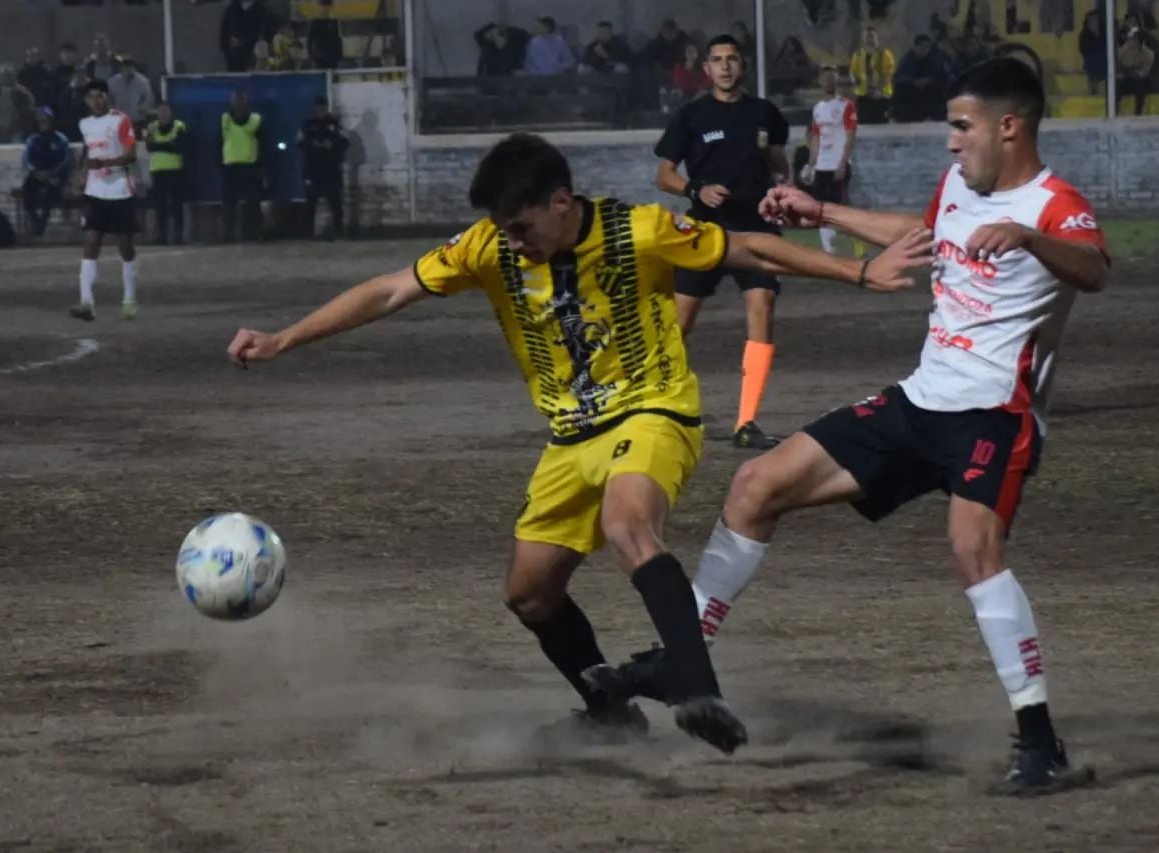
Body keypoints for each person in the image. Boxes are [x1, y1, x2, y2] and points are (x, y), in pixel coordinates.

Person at [226, 132, 932, 756]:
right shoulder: (487, 246)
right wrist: (284, 338)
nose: (511, 240)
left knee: (628, 524)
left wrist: (860, 272)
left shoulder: (641, 230)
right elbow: (387, 291)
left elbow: (745, 244)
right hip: (569, 438)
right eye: (501, 227)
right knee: (530, 595)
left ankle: (697, 687)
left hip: (652, 414)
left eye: (522, 225)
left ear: (562, 201)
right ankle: (611, 714)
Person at [590, 58, 1111, 796]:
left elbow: (1092, 268)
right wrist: (823, 213)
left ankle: (1039, 739)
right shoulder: (963, 187)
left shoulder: (1056, 204)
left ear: (1009, 126)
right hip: (921, 399)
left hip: (996, 414)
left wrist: (1028, 238)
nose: (951, 144)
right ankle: (687, 653)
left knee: (972, 551)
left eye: (961, 127)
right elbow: (925, 233)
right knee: (754, 484)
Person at [654, 35, 792, 451]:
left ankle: (747, 421)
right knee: (680, 322)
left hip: (756, 226)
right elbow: (663, 175)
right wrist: (696, 189)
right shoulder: (691, 115)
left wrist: (785, 182)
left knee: (762, 305)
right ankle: (652, 410)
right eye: (717, 60)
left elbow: (777, 161)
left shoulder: (765, 113)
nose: (725, 66)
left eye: (732, 59)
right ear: (707, 69)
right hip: (705, 229)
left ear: (742, 66)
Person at [70, 79, 140, 323]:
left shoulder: (120, 120)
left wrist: (107, 164)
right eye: (92, 97)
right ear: (86, 101)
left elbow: (131, 153)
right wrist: (82, 174)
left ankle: (130, 301)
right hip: (94, 191)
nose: (97, 100)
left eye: (101, 95)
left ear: (107, 97)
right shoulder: (85, 124)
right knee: (91, 242)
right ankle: (86, 302)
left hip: (120, 190)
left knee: (125, 247)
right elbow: (88, 150)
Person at [797, 64, 859, 257]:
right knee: (820, 206)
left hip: (838, 164)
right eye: (825, 78)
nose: (829, 82)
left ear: (836, 81)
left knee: (839, 207)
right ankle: (828, 248)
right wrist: (811, 164)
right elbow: (816, 138)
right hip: (822, 165)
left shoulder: (846, 105)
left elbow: (850, 136)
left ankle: (857, 241)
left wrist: (843, 163)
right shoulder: (818, 109)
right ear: (820, 81)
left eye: (832, 78)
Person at [297, 95, 350, 239]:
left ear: (327, 108)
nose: (321, 110)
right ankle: (309, 232)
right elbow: (300, 142)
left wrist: (332, 145)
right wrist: (313, 144)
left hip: (331, 169)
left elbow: (345, 142)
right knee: (311, 203)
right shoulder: (308, 124)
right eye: (318, 108)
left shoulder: (334, 124)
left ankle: (339, 232)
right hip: (313, 169)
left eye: (323, 108)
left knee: (335, 202)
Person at [21, 107, 74, 237]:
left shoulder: (60, 139)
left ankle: (42, 223)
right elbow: (26, 160)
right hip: (37, 175)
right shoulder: (33, 140)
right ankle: (34, 220)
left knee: (50, 194)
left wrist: (53, 172)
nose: (43, 124)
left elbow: (67, 160)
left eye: (46, 121)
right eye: (41, 121)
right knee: (27, 190)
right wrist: (35, 172)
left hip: (55, 175)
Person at [220, 90, 265, 242]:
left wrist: (262, 167)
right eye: (236, 100)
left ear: (247, 102)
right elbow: (218, 143)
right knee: (228, 204)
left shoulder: (255, 120)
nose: (239, 103)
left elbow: (263, 145)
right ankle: (229, 234)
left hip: (250, 167)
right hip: (230, 167)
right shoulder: (225, 119)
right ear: (231, 102)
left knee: (253, 203)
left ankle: (253, 234)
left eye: (241, 100)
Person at [145, 102, 187, 245]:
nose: (163, 114)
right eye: (161, 111)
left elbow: (179, 147)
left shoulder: (179, 126)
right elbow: (149, 146)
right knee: (160, 206)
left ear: (171, 113)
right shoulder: (152, 127)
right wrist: (168, 145)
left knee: (176, 205)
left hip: (175, 171)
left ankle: (178, 235)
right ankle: (161, 235)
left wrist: (159, 146)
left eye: (166, 111)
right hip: (157, 172)